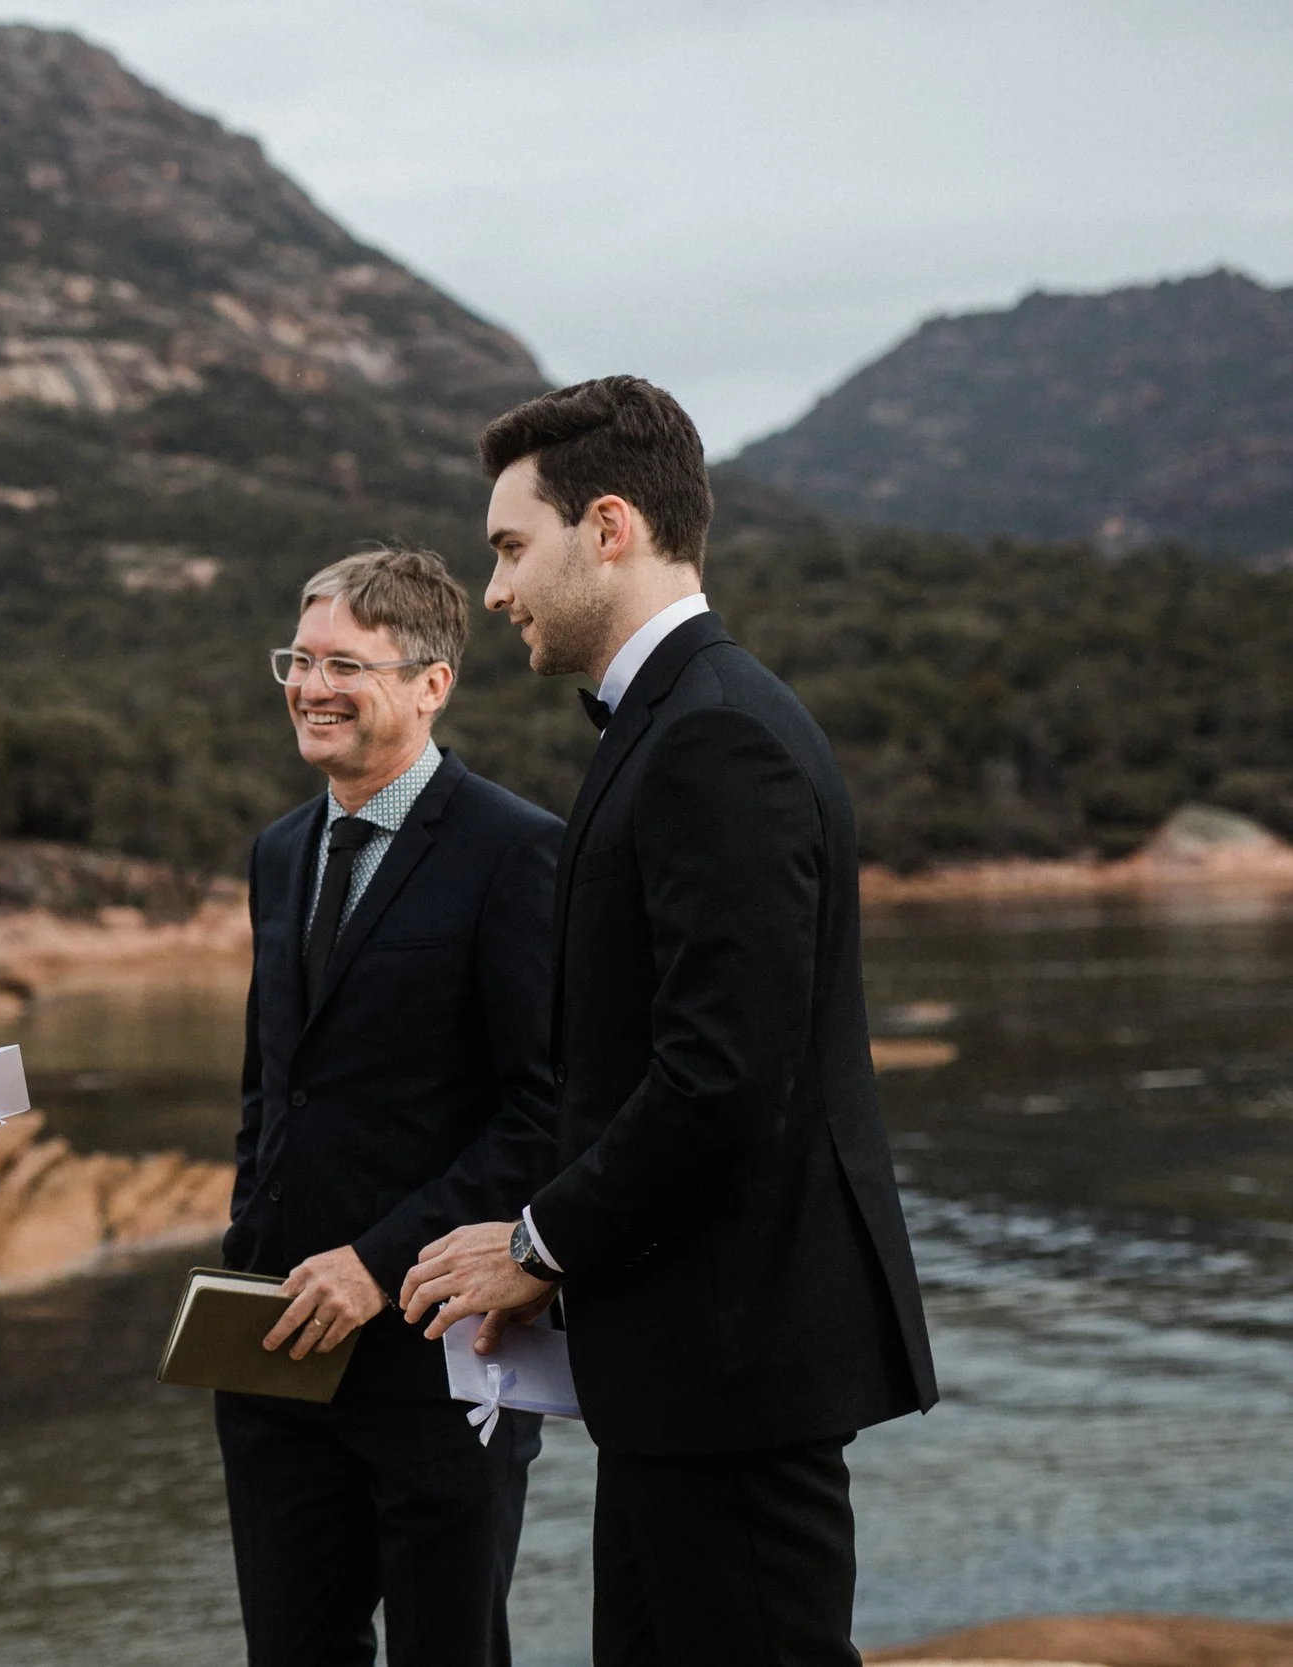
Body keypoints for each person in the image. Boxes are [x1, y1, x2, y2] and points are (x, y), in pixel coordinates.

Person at [400, 377, 939, 1666]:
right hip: (686, 1362)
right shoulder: (676, 720)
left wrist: (538, 1239)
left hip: (737, 1363)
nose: (494, 591)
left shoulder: (714, 738)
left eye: (509, 548)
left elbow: (724, 1073)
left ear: (607, 527)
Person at [219, 545, 563, 1667]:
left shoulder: (515, 850)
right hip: (276, 1350)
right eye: (300, 658)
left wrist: (377, 1259)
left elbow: (545, 1109)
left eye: (344, 665)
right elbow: (271, 1086)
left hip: (437, 1348)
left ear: (430, 682)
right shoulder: (278, 851)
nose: (310, 686)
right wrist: (243, 1249)